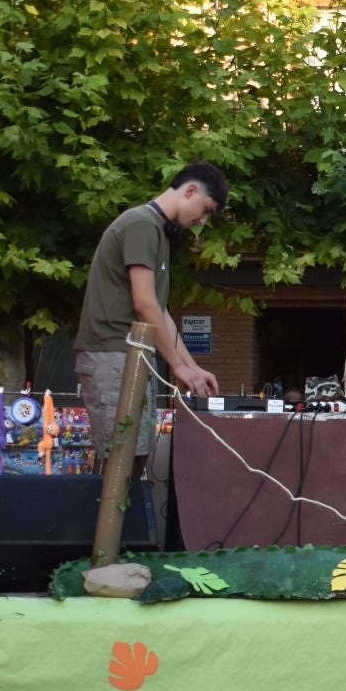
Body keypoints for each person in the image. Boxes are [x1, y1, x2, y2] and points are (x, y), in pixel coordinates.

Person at [74, 162, 225, 470]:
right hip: (111, 352)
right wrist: (178, 368)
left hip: (132, 354)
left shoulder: (156, 230)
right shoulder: (141, 224)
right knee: (120, 459)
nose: (202, 221)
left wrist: (193, 368)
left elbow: (160, 312)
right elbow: (145, 304)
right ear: (190, 190)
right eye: (206, 209)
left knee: (136, 455)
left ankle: (124, 519)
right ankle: (99, 520)